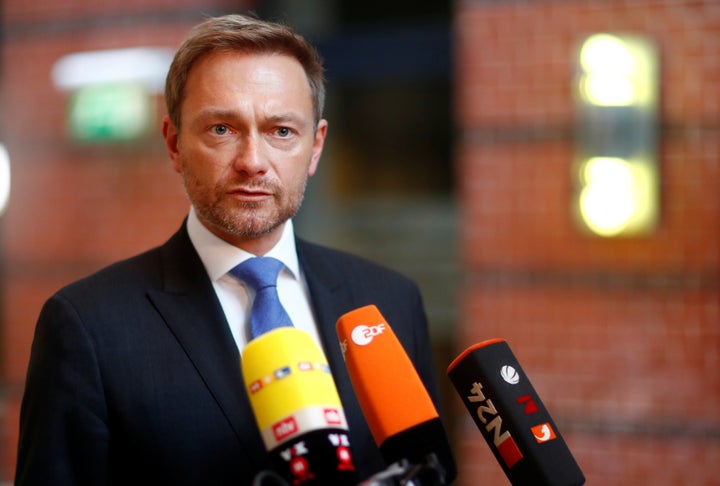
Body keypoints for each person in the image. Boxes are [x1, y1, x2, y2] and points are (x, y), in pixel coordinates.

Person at [16, 13, 456, 485]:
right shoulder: (87, 326)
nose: (252, 162)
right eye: (222, 129)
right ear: (174, 143)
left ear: (315, 148)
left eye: (281, 131)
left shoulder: (389, 301)